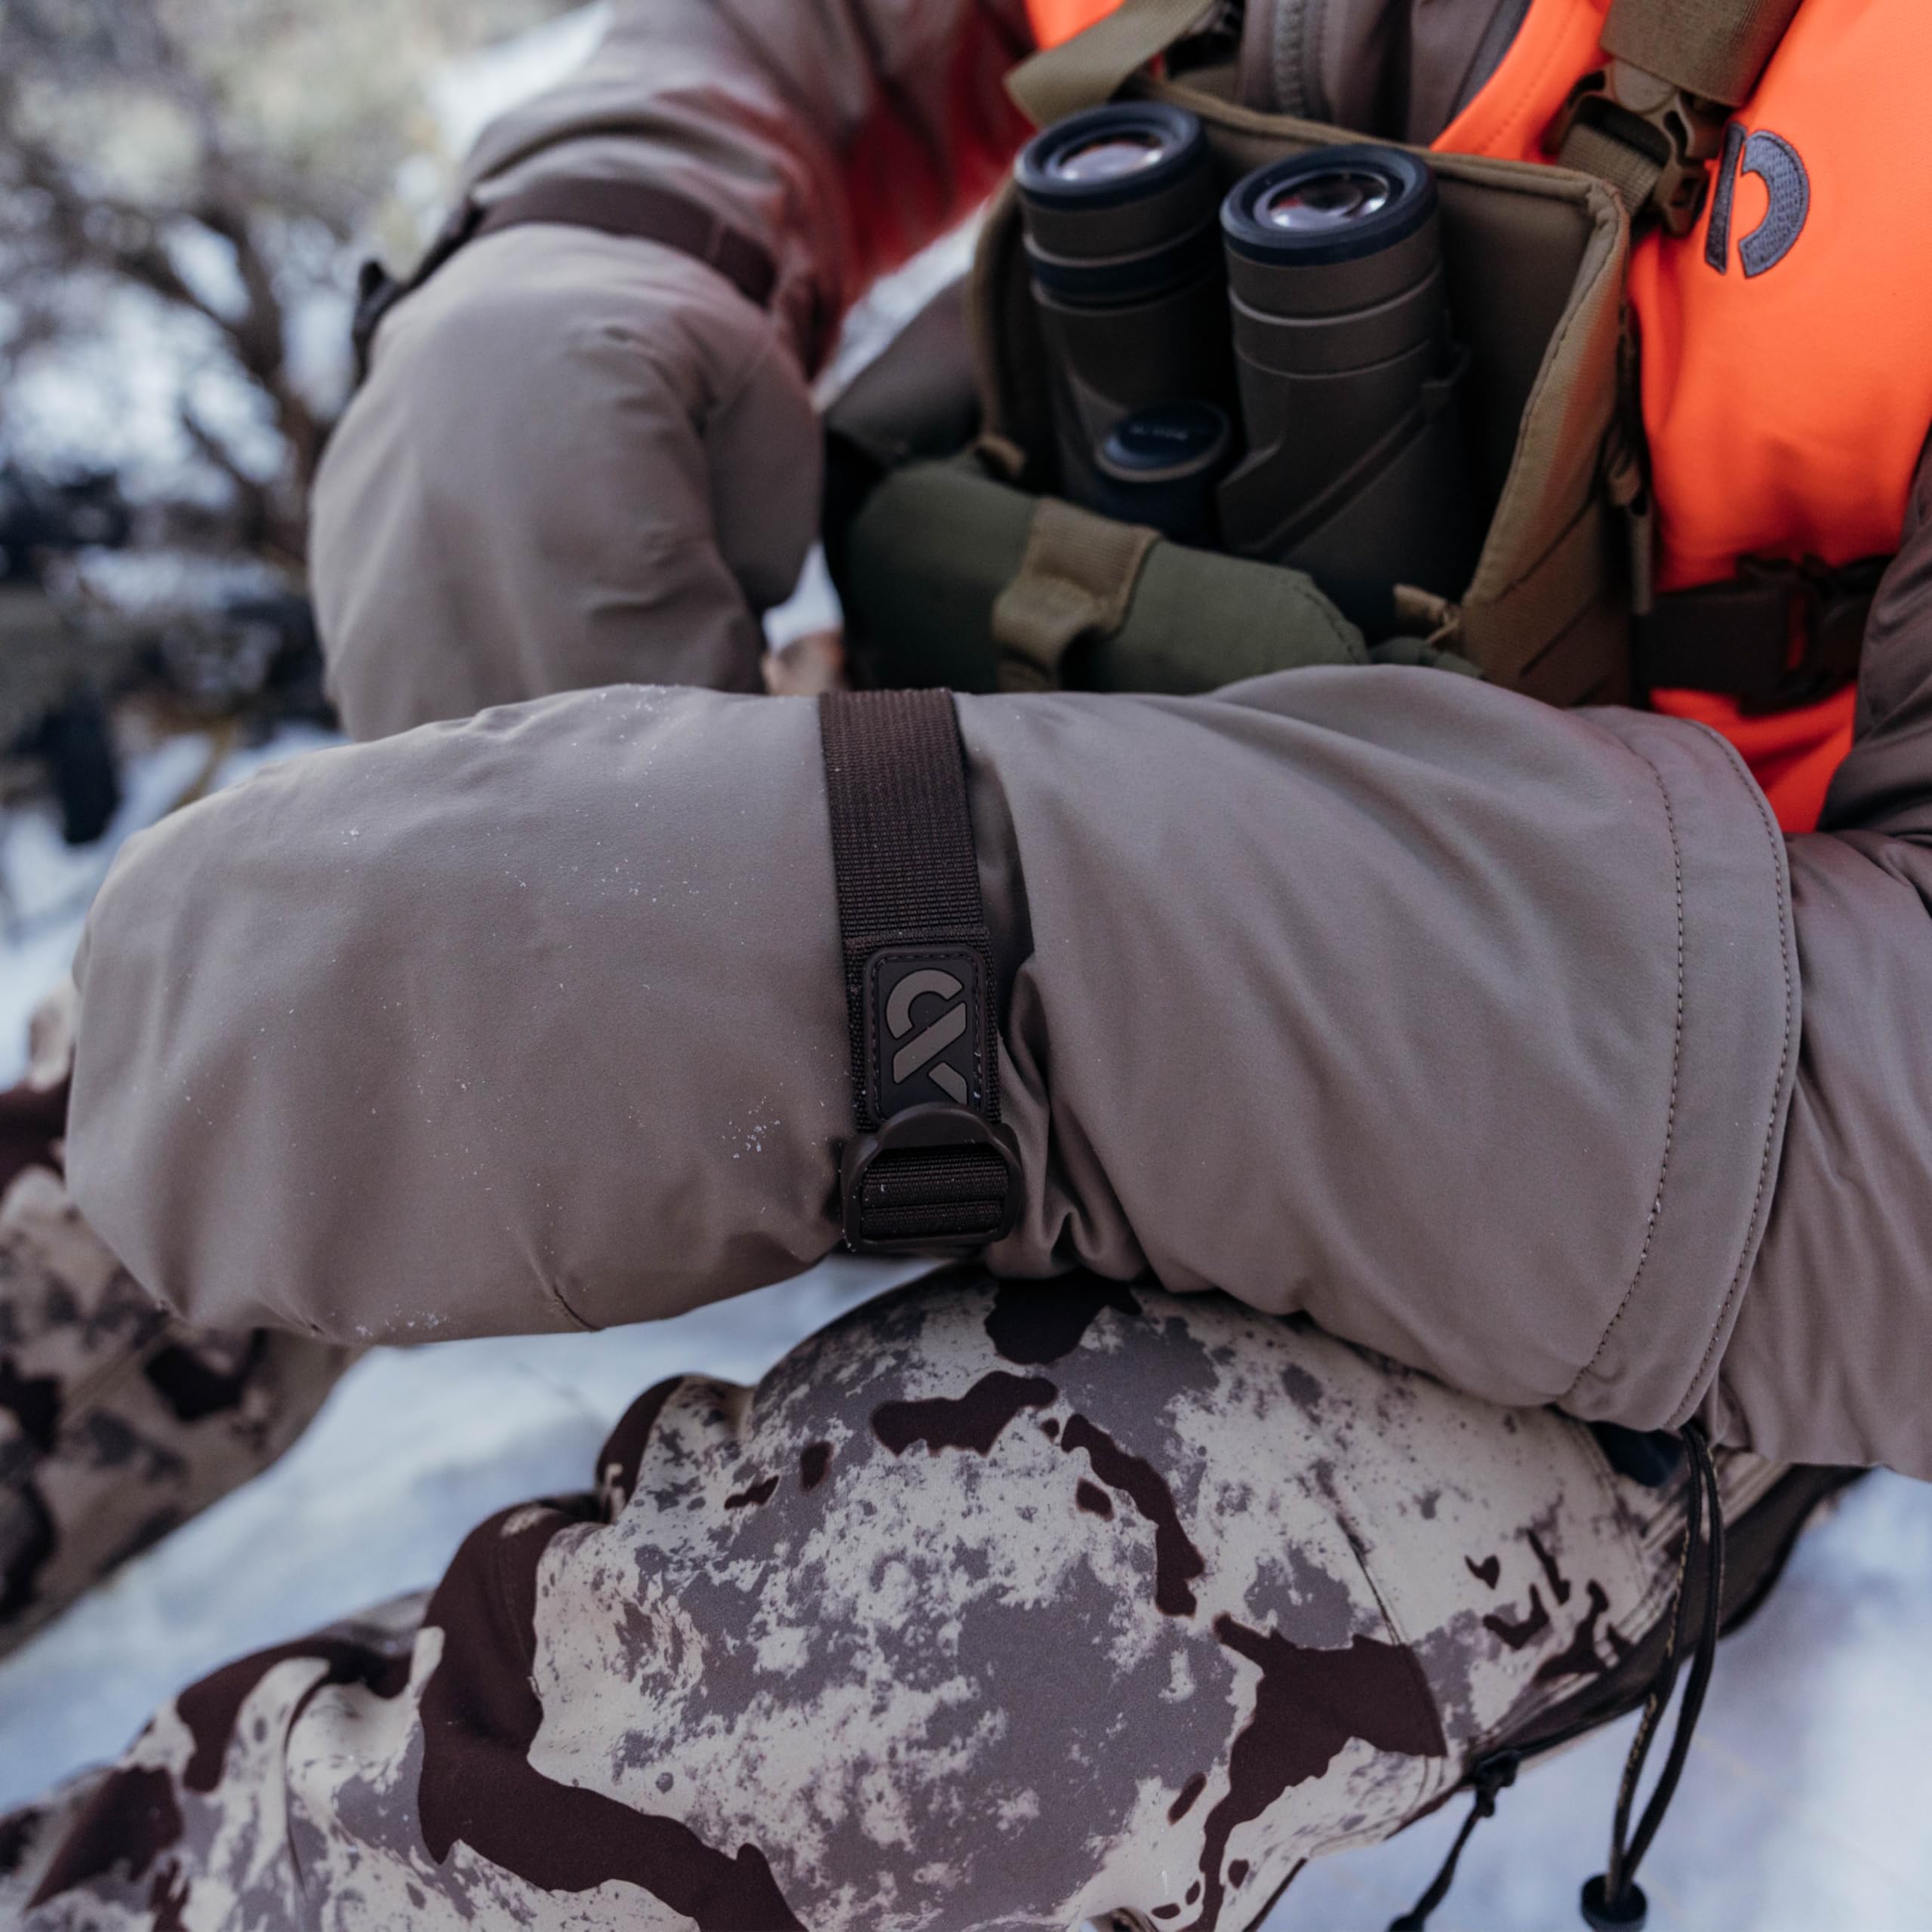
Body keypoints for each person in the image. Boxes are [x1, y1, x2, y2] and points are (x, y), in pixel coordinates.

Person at [7, 0, 1930, 1924]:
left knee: (930, 1668)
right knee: (288, 1022)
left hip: (1654, 1173)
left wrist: (948, 944)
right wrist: (593, 244)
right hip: (1062, 747)